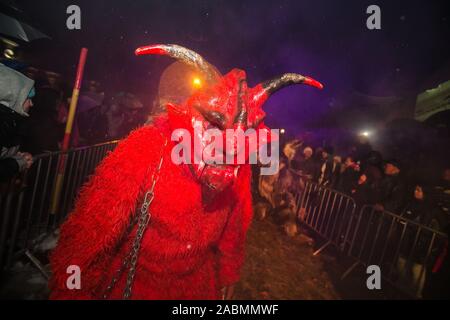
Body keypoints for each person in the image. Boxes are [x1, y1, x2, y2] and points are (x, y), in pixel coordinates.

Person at [49, 44, 323, 299]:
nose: (226, 145)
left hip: (196, 288)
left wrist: (228, 271)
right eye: (214, 125)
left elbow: (234, 224)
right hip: (136, 285)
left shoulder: (238, 162)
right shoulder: (146, 147)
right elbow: (88, 238)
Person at [0, 64, 35, 183]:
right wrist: (17, 163)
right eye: (28, 98)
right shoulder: (4, 123)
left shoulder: (11, 122)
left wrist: (19, 157)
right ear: (15, 97)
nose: (31, 104)